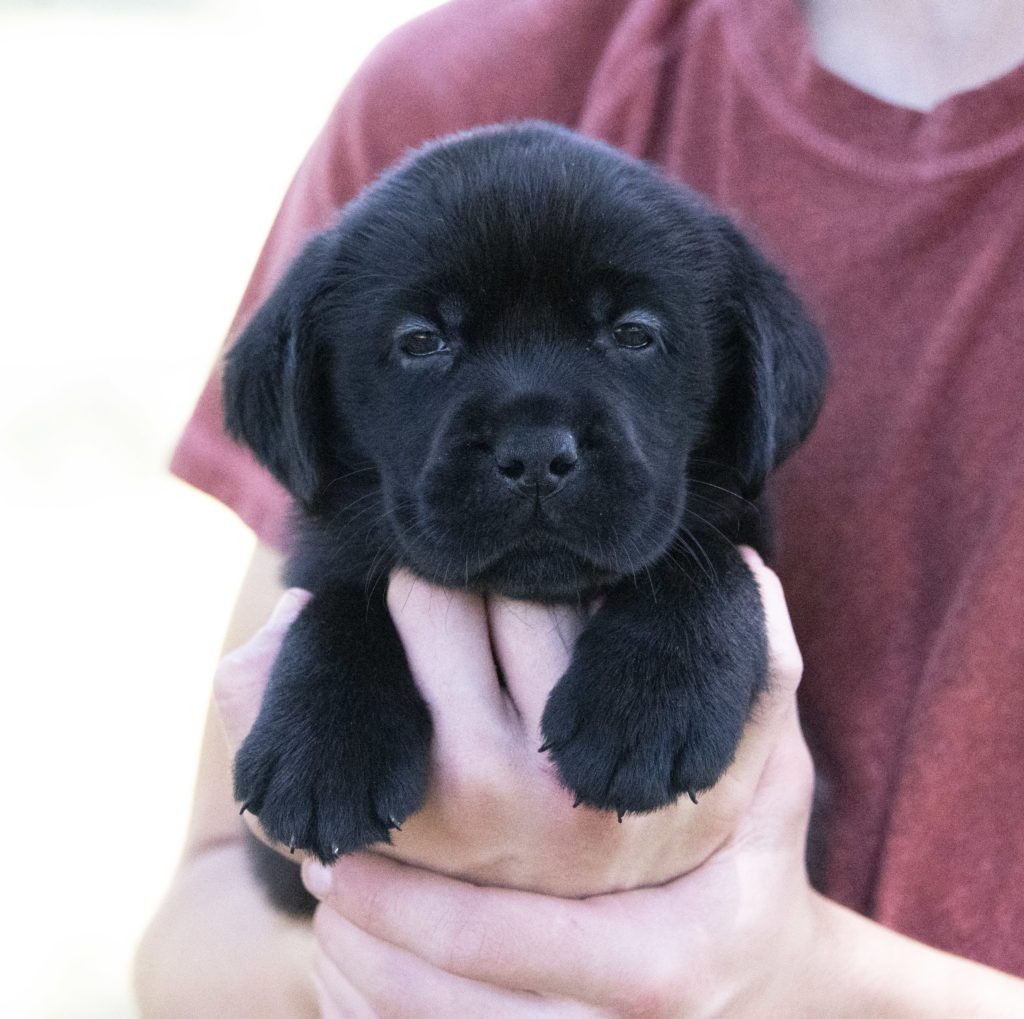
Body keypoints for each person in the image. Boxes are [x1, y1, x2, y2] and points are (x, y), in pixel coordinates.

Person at [134, 0, 1024, 1013]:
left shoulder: (706, 566)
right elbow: (207, 933)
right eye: (422, 344)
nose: (536, 442)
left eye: (634, 335)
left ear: (744, 385)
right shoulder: (458, 75)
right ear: (312, 399)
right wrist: (380, 964)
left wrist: (791, 978)